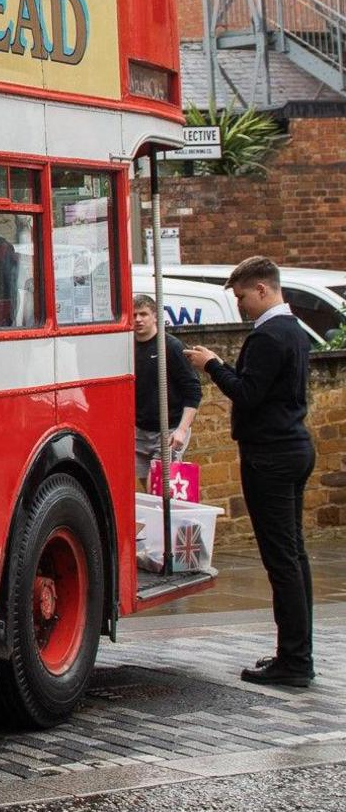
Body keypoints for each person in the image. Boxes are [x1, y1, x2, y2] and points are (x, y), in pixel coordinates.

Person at [186, 256, 317, 688]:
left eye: (242, 296)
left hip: (270, 455)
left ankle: (295, 662)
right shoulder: (294, 331)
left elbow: (247, 393)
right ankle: (296, 654)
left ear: (262, 289)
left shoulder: (268, 335)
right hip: (294, 447)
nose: (240, 305)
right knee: (294, 557)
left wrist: (212, 366)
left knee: (282, 561)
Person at [133, 294, 202, 484]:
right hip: (140, 430)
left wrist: (182, 429)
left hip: (168, 429)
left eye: (143, 314)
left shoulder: (170, 346)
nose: (138, 319)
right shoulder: (128, 347)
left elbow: (193, 390)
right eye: (134, 315)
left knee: (158, 486)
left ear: (155, 316)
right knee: (147, 489)